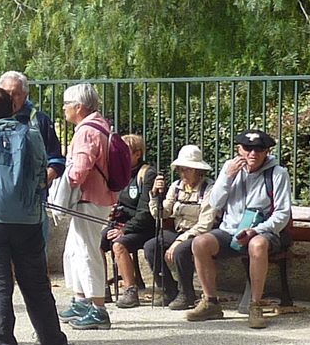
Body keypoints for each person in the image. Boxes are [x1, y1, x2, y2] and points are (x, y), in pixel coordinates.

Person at [0, 86, 84, 345]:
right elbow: (42, 171)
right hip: (28, 220)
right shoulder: (32, 135)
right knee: (36, 288)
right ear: (12, 107)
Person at [190, 129, 292, 329]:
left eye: (259, 149)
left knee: (257, 245)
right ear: (239, 149)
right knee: (200, 243)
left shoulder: (278, 173)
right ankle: (211, 302)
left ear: (266, 151)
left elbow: (282, 214)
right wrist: (228, 177)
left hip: (263, 231)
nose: (253, 154)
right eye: (248, 148)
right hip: (230, 231)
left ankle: (255, 306)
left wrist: (256, 230)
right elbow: (216, 203)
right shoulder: (230, 168)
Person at [55, 83, 118, 330]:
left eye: (67, 104)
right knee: (74, 250)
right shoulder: (98, 125)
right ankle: (82, 300)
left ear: (78, 107)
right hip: (95, 198)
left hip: (90, 199)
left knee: (86, 251)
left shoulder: (87, 131)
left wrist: (62, 189)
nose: (64, 108)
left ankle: (98, 308)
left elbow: (80, 168)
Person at [145, 144, 216, 309]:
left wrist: (179, 240)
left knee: (180, 250)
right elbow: (161, 214)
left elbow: (205, 224)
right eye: (180, 169)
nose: (182, 173)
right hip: (178, 231)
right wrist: (155, 195)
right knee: (151, 247)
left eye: (187, 169)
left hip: (200, 235)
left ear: (198, 170)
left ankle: (186, 293)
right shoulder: (176, 186)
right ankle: (168, 289)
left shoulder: (209, 189)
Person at [100, 134, 158, 308]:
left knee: (119, 244)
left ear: (137, 154)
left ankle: (130, 291)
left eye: (125, 153)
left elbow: (146, 213)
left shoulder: (147, 174)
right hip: (119, 223)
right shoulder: (118, 172)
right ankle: (101, 287)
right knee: (95, 240)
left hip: (144, 228)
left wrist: (124, 229)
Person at [0, 70, 66, 182]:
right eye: (6, 93)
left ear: (25, 96)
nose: (10, 98)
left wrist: (41, 183)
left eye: (16, 94)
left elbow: (56, 160)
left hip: (33, 195)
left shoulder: (39, 120)